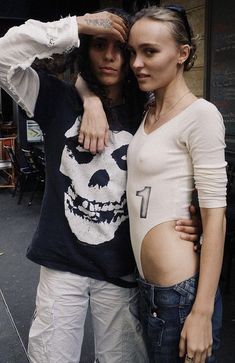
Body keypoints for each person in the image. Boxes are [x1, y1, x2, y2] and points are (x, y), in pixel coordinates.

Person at [0, 7, 200, 363]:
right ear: (84, 50)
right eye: (98, 45)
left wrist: (189, 215)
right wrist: (75, 25)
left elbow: (174, 171)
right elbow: (4, 56)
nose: (109, 56)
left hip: (121, 266)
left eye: (120, 48)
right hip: (62, 263)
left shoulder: (150, 112)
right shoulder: (56, 100)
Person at [125, 5, 227, 363]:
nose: (137, 62)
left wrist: (201, 313)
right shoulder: (149, 109)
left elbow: (216, 216)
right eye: (133, 52)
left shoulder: (201, 115)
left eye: (150, 51)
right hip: (147, 288)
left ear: (182, 54)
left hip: (179, 296)